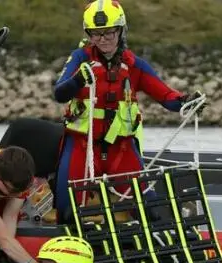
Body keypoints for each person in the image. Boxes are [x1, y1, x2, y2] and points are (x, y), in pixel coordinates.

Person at [53, 0, 203, 222]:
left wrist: (187, 102)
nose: (102, 39)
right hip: (82, 146)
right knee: (67, 211)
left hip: (121, 148)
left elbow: (167, 97)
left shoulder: (135, 65)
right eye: (96, 34)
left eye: (109, 33)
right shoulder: (80, 58)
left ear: (121, 30)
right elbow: (60, 94)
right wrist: (78, 80)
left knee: (150, 209)